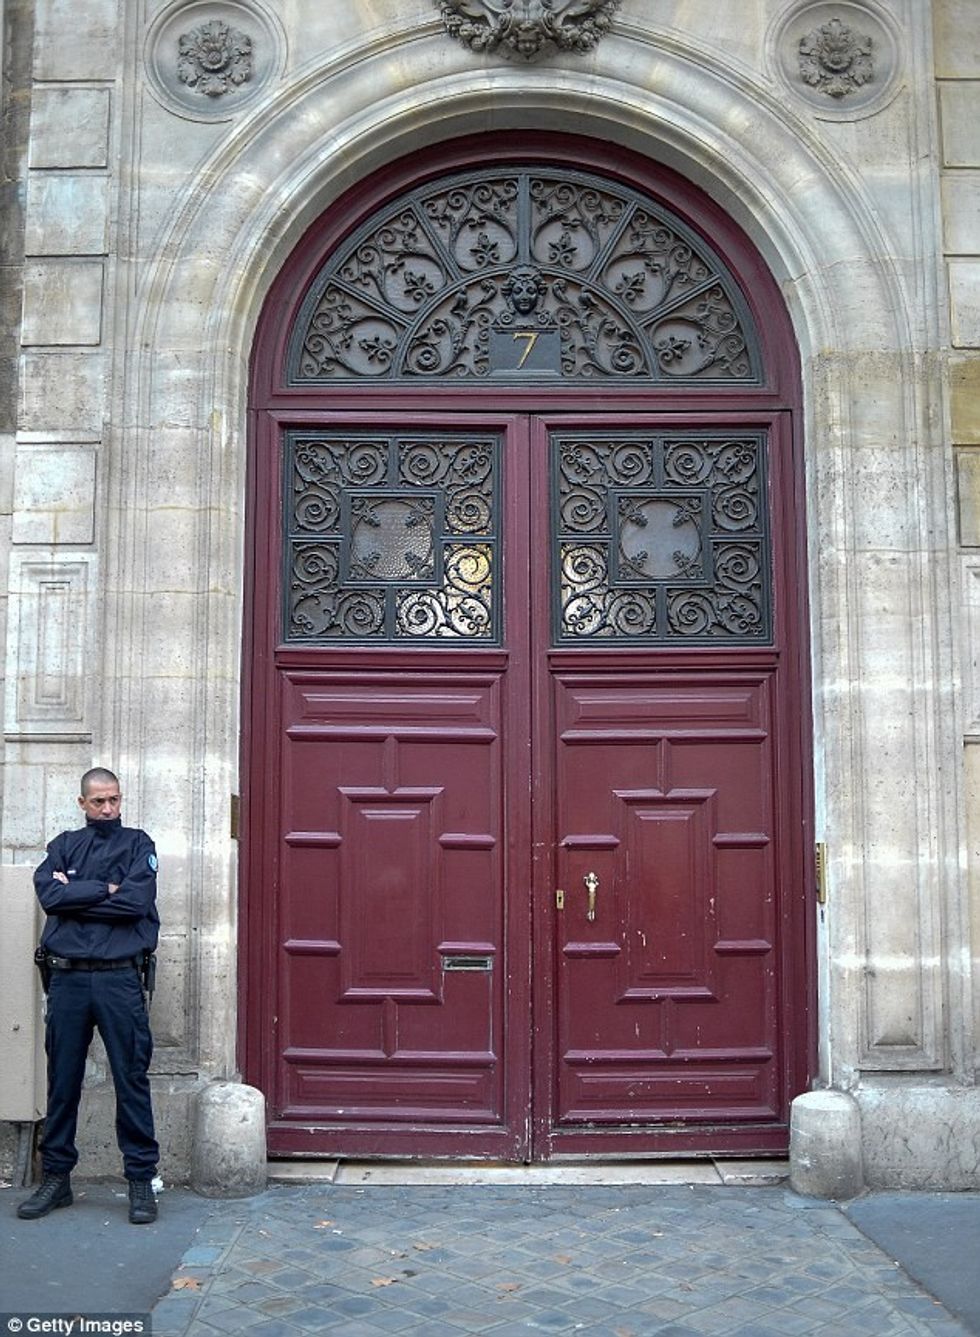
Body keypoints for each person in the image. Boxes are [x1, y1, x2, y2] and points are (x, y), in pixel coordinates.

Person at [16, 768, 160, 1224]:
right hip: (69, 981)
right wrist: (104, 889)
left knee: (131, 1079)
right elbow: (49, 897)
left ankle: (140, 1179)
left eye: (113, 800)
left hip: (120, 980)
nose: (107, 809)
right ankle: (56, 1179)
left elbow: (135, 904)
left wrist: (76, 894)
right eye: (98, 801)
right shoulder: (63, 845)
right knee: (62, 1081)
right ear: (82, 803)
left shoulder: (139, 845)